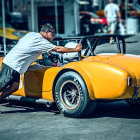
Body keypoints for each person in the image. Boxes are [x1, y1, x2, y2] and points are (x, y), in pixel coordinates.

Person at [0, 23, 82, 101]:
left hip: (15, 65)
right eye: (53, 33)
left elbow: (19, 42)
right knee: (1, 86)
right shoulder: (40, 41)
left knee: (15, 87)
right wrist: (75, 49)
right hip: (12, 64)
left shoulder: (31, 34)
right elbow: (58, 49)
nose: (54, 36)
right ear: (46, 32)